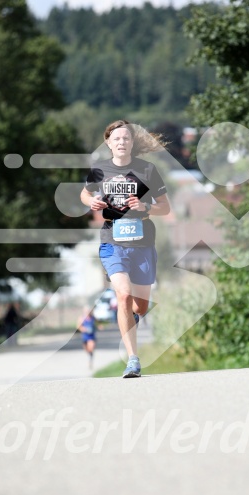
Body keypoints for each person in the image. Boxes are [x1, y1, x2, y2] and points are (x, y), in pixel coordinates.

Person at [80, 120, 170, 378]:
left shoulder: (147, 170)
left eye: (126, 139)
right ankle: (133, 360)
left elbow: (166, 207)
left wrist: (146, 207)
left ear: (132, 143)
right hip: (112, 241)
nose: (121, 142)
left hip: (142, 243)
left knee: (139, 307)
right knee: (123, 295)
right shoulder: (99, 170)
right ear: (108, 142)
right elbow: (84, 194)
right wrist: (93, 200)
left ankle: (134, 318)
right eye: (116, 138)